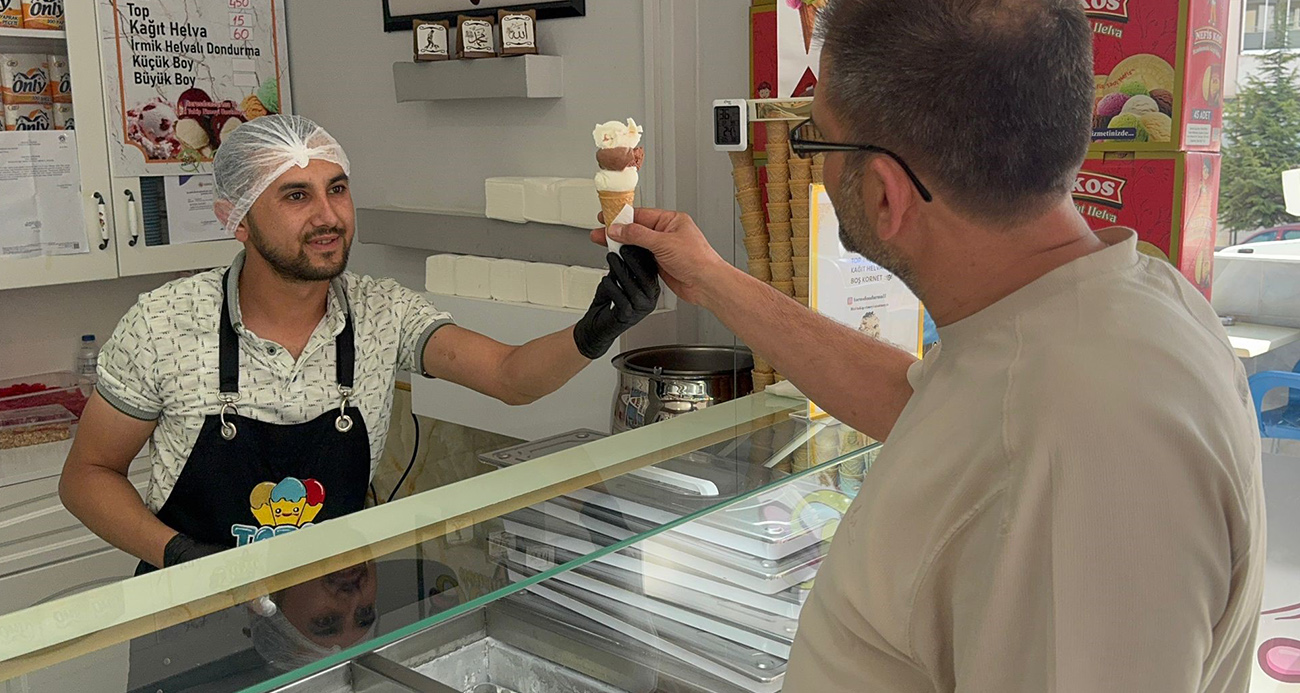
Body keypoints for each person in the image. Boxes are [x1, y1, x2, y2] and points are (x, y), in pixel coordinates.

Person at [594, 0, 1265, 690]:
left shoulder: (1081, 442)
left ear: (887, 195)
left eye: (817, 143)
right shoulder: (1103, 304)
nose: (817, 170)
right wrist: (712, 279)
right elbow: (923, 403)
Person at [61, 115, 660, 574]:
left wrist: (596, 330)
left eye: (337, 189)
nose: (329, 216)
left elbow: (507, 375)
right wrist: (180, 555)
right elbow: (87, 475)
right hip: (188, 616)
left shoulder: (382, 312)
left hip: (333, 612)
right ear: (238, 219)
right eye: (296, 196)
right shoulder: (164, 323)